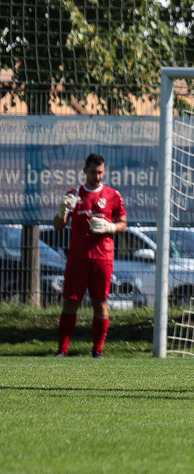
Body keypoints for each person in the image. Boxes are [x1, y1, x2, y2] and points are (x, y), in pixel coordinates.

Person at [53, 153, 127, 358]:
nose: (97, 176)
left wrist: (110, 226)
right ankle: (62, 350)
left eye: (101, 172)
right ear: (84, 171)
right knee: (70, 302)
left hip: (103, 258)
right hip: (78, 257)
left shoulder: (113, 195)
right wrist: (62, 211)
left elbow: (123, 224)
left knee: (100, 302)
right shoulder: (74, 193)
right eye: (93, 172)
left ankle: (98, 351)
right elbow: (59, 226)